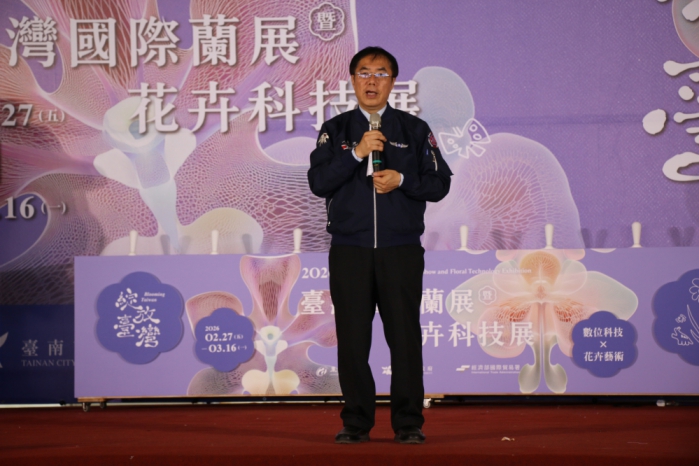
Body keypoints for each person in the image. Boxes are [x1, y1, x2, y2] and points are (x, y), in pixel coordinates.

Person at [307, 47, 452, 444]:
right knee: (353, 339)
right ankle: (356, 422)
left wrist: (403, 181)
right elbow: (318, 182)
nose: (372, 81)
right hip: (350, 250)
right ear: (353, 80)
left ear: (393, 81)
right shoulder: (335, 129)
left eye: (381, 73)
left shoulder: (414, 130)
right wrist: (357, 152)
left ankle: (408, 423)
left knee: (404, 338)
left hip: (400, 249)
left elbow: (440, 184)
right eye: (364, 73)